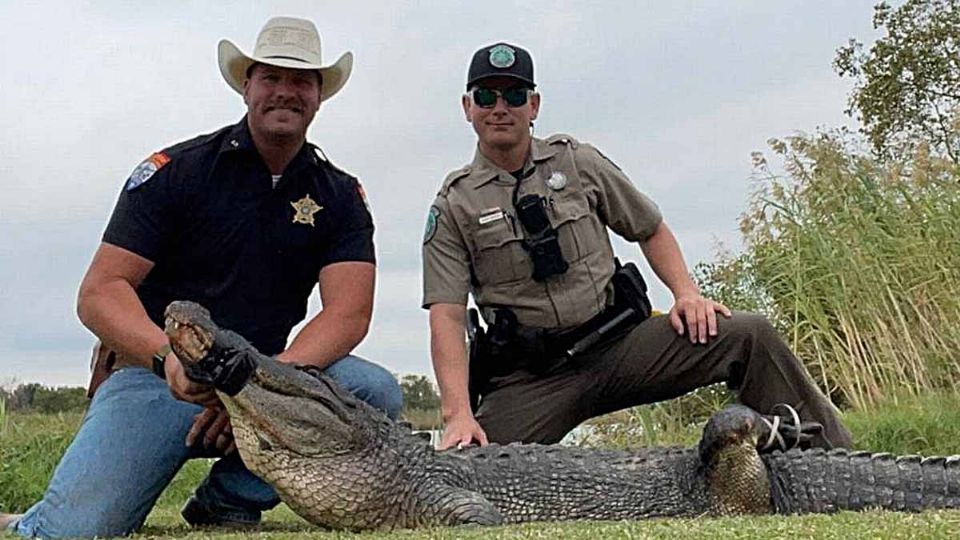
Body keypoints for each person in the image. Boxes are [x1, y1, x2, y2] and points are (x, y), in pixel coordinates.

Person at [1, 17, 402, 538]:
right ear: (246, 85)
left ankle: (227, 500)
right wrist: (167, 360)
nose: (285, 91)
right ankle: (28, 521)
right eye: (270, 78)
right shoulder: (178, 171)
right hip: (158, 379)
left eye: (301, 80)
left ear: (320, 95)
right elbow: (100, 293)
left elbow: (349, 311)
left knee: (373, 390)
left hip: (269, 376)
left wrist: (261, 390)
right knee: (76, 530)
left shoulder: (341, 195)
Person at [421, 42, 853, 452]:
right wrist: (458, 413)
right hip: (536, 379)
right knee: (469, 467)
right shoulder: (454, 205)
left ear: (533, 106)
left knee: (749, 334)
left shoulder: (577, 162)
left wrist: (686, 294)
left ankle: (831, 459)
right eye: (487, 96)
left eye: (514, 95)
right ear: (468, 107)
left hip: (623, 346)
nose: (500, 108)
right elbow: (447, 314)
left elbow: (650, 228)